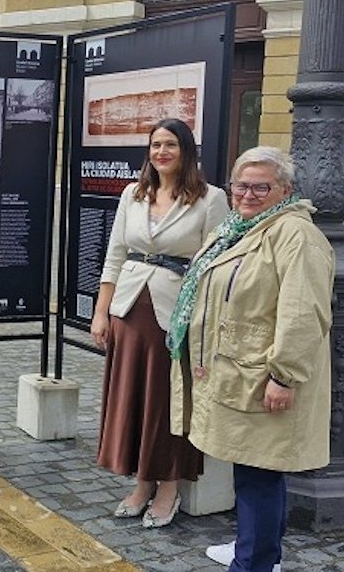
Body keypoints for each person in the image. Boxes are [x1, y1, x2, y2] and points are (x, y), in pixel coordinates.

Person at [168, 147, 333, 570]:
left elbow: (304, 311)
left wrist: (284, 376)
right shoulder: (237, 228)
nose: (248, 194)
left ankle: (255, 562)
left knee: (260, 473)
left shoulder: (296, 234)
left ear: (285, 190)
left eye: (262, 186)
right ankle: (256, 547)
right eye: (241, 184)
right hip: (238, 370)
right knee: (252, 467)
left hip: (264, 374)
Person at [89, 118, 229, 527]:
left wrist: (202, 323)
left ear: (186, 151)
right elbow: (114, 256)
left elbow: (214, 264)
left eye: (170, 145)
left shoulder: (210, 198)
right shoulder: (133, 194)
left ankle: (168, 485)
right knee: (133, 398)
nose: (161, 152)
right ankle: (142, 481)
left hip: (176, 314)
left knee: (168, 402)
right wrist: (101, 312)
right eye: (155, 145)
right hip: (130, 310)